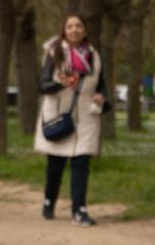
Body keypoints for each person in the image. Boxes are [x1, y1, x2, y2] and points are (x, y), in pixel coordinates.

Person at [33, 13, 109, 226]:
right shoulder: (54, 51)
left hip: (86, 116)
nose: (74, 30)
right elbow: (43, 85)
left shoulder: (93, 55)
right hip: (59, 113)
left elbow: (101, 83)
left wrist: (101, 95)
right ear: (64, 30)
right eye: (70, 26)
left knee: (81, 161)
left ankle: (79, 209)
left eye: (78, 26)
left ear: (85, 30)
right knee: (55, 163)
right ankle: (49, 200)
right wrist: (62, 82)